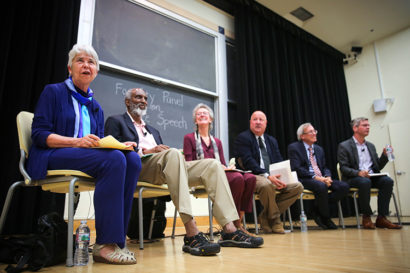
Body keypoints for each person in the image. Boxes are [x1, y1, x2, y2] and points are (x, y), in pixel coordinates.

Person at [104, 88, 263, 255]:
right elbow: (114, 152)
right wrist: (148, 151)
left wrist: (167, 153)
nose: (143, 100)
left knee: (213, 165)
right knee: (172, 154)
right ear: (127, 102)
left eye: (145, 98)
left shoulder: (153, 130)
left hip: (163, 168)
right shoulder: (116, 121)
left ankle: (230, 229)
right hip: (139, 167)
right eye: (138, 97)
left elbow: (167, 159)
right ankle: (191, 232)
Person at [26, 44, 140, 265]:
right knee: (114, 160)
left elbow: (97, 142)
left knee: (132, 159)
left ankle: (117, 240)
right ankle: (105, 244)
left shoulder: (95, 106)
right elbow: (39, 135)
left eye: (91, 62)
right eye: (80, 60)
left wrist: (118, 145)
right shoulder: (54, 92)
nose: (86, 65)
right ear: (70, 68)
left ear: (96, 71)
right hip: (52, 154)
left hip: (82, 157)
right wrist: (76, 141)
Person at [183, 103, 257, 234]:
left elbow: (222, 162)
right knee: (237, 179)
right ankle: (234, 225)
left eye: (204, 113)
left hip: (219, 173)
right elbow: (188, 164)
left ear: (210, 119)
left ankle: (238, 220)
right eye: (198, 114)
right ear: (195, 120)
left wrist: (228, 167)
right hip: (203, 175)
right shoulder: (188, 138)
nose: (201, 115)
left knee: (250, 178)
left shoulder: (217, 142)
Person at [234, 111, 303, 234]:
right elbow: (248, 161)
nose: (258, 122)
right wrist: (267, 175)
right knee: (267, 185)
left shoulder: (271, 140)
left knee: (297, 186)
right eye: (255, 119)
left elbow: (278, 159)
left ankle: (265, 216)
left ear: (266, 124)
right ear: (250, 122)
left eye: (261, 120)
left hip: (272, 175)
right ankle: (275, 220)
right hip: (252, 175)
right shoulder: (243, 138)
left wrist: (283, 175)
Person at [337, 117, 402, 229]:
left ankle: (381, 218)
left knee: (387, 181)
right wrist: (358, 173)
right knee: (364, 182)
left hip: (371, 176)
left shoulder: (370, 146)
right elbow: (344, 168)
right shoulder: (345, 145)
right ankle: (366, 217)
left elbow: (377, 166)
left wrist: (384, 156)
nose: (368, 127)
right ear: (355, 128)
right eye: (364, 125)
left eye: (368, 125)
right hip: (354, 178)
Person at [288, 123, 349, 229]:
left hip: (321, 178)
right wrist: (316, 177)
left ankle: (316, 208)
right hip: (305, 179)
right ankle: (325, 218)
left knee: (343, 187)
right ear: (302, 136)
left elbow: (324, 167)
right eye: (311, 132)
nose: (314, 134)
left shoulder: (319, 149)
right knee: (321, 186)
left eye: (314, 131)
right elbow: (297, 168)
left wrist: (327, 176)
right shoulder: (294, 147)